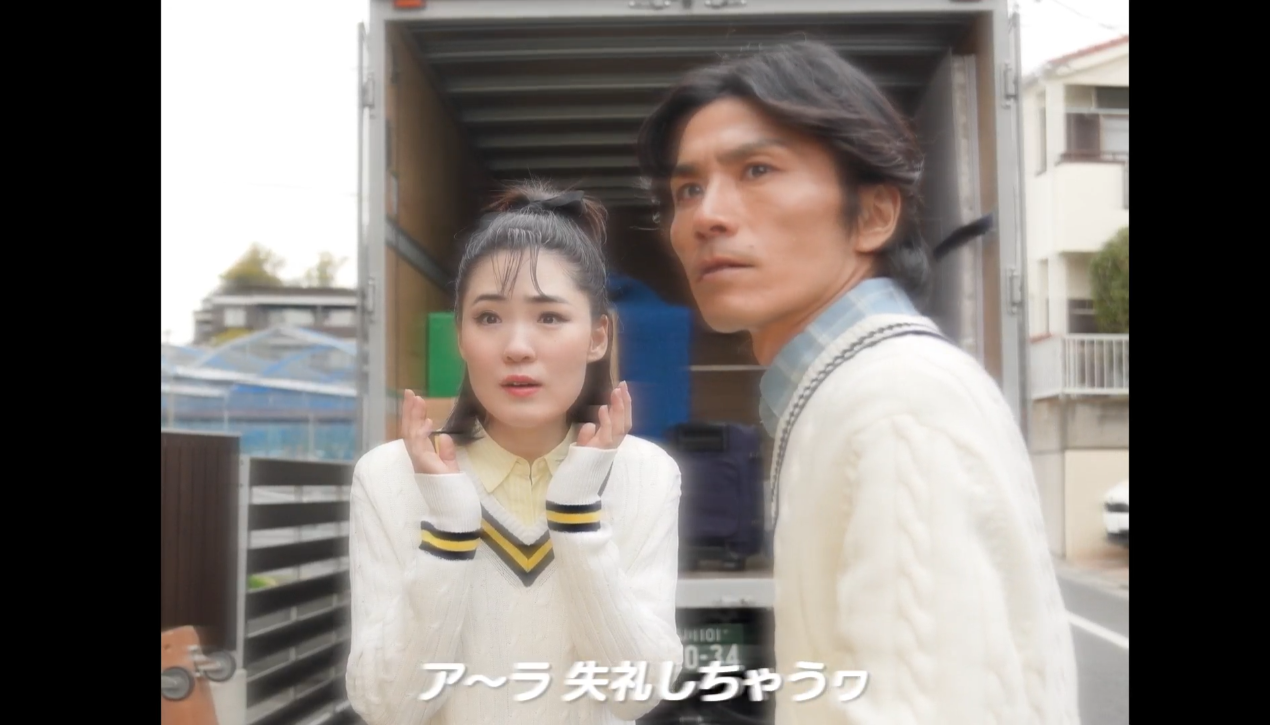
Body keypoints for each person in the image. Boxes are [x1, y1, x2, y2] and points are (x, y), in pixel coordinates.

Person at [637, 40, 1081, 725]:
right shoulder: (845, 393)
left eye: (757, 170)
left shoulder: (897, 402)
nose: (704, 217)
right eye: (687, 189)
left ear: (873, 214)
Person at [345, 182, 684, 725]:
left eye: (549, 317)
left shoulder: (645, 473)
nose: (517, 347)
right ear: (461, 336)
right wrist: (449, 533)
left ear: (598, 336)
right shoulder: (388, 476)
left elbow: (637, 692)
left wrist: (577, 516)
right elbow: (387, 707)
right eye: (489, 318)